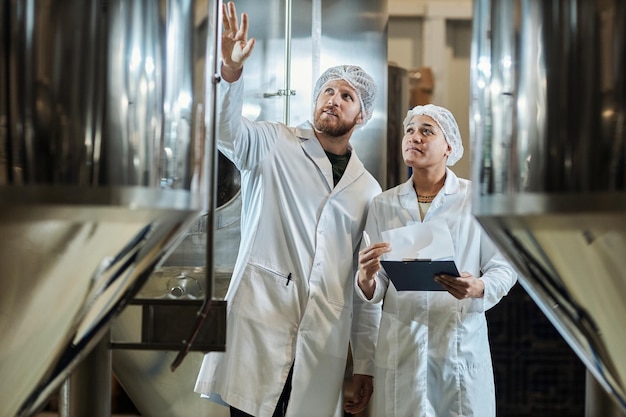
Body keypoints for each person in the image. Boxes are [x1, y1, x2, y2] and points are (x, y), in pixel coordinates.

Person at [195, 2, 382, 417]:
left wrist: (365, 363)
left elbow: (366, 284)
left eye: (346, 96)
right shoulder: (273, 143)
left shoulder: (368, 189)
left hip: (320, 340)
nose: (333, 100)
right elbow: (227, 131)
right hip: (261, 322)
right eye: (327, 91)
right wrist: (230, 72)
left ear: (362, 115)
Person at [354, 104, 517, 416]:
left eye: (426, 131)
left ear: (449, 147)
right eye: (410, 130)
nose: (414, 137)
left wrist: (479, 286)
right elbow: (377, 289)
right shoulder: (384, 204)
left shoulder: (476, 201)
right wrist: (366, 278)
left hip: (457, 344)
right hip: (401, 348)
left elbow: (505, 266)